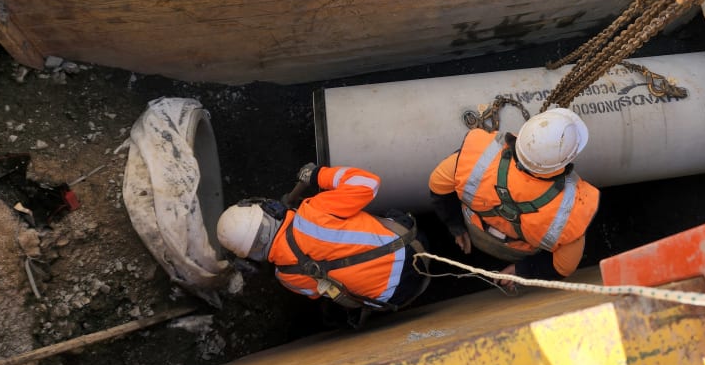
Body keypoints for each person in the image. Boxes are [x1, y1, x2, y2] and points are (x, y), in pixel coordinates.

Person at [216, 163, 430, 321]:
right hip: (418, 250)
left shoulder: (286, 277)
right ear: (270, 210)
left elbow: (323, 290)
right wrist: (319, 175)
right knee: (356, 207)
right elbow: (369, 182)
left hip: (398, 298)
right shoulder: (314, 211)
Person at [428, 108, 599, 284]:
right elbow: (564, 267)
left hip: (474, 230)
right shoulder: (572, 210)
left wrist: (456, 226)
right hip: (514, 252)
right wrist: (522, 270)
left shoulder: (477, 157)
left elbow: (437, 184)